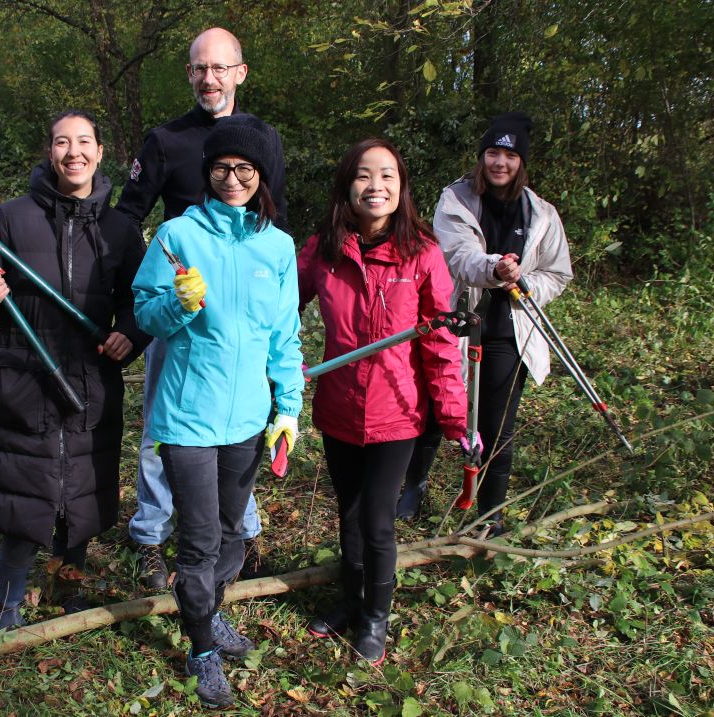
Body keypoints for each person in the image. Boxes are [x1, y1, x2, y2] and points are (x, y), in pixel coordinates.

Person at [132, 115, 303, 708]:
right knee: (200, 540)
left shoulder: (277, 247)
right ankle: (202, 648)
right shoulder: (177, 235)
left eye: (245, 169)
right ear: (207, 172)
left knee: (233, 533)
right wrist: (178, 306)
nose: (232, 179)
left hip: (249, 420)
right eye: (222, 168)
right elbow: (146, 315)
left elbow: (284, 335)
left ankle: (210, 611)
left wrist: (288, 406)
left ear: (262, 176)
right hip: (187, 417)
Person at [0, 110, 150, 630]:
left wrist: (130, 334)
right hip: (24, 375)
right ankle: (10, 603)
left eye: (84, 142)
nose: (73, 152)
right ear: (50, 152)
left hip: (91, 376)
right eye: (62, 143)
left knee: (82, 496)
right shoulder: (13, 217)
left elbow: (141, 301)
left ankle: (69, 592)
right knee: (24, 496)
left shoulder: (120, 229)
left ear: (100, 152)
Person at [117, 26, 288, 589]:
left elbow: (275, 221)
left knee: (245, 425)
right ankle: (151, 534)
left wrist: (274, 310)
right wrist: (140, 312)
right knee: (161, 429)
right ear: (189, 74)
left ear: (240, 73)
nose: (208, 78)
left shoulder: (263, 138)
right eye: (199, 68)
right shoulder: (166, 140)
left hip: (242, 318)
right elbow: (127, 221)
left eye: (219, 68)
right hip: (181, 316)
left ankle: (240, 529)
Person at [297, 139, 470, 665]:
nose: (376, 186)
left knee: (377, 518)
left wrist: (454, 417)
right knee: (349, 513)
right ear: (346, 186)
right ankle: (351, 601)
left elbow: (440, 343)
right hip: (338, 408)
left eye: (388, 176)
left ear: (402, 187)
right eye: (364, 175)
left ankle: (376, 615)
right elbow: (277, 307)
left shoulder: (422, 253)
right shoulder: (323, 250)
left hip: (398, 413)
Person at [396, 112, 572, 535]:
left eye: (510, 156)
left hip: (510, 331)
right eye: (493, 153)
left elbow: (557, 273)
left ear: (521, 162)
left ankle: (490, 513)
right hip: (455, 322)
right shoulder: (455, 200)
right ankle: (413, 488)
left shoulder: (542, 214)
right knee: (436, 410)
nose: (500, 162)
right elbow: (457, 256)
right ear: (482, 157)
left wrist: (523, 282)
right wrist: (495, 268)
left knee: (497, 426)